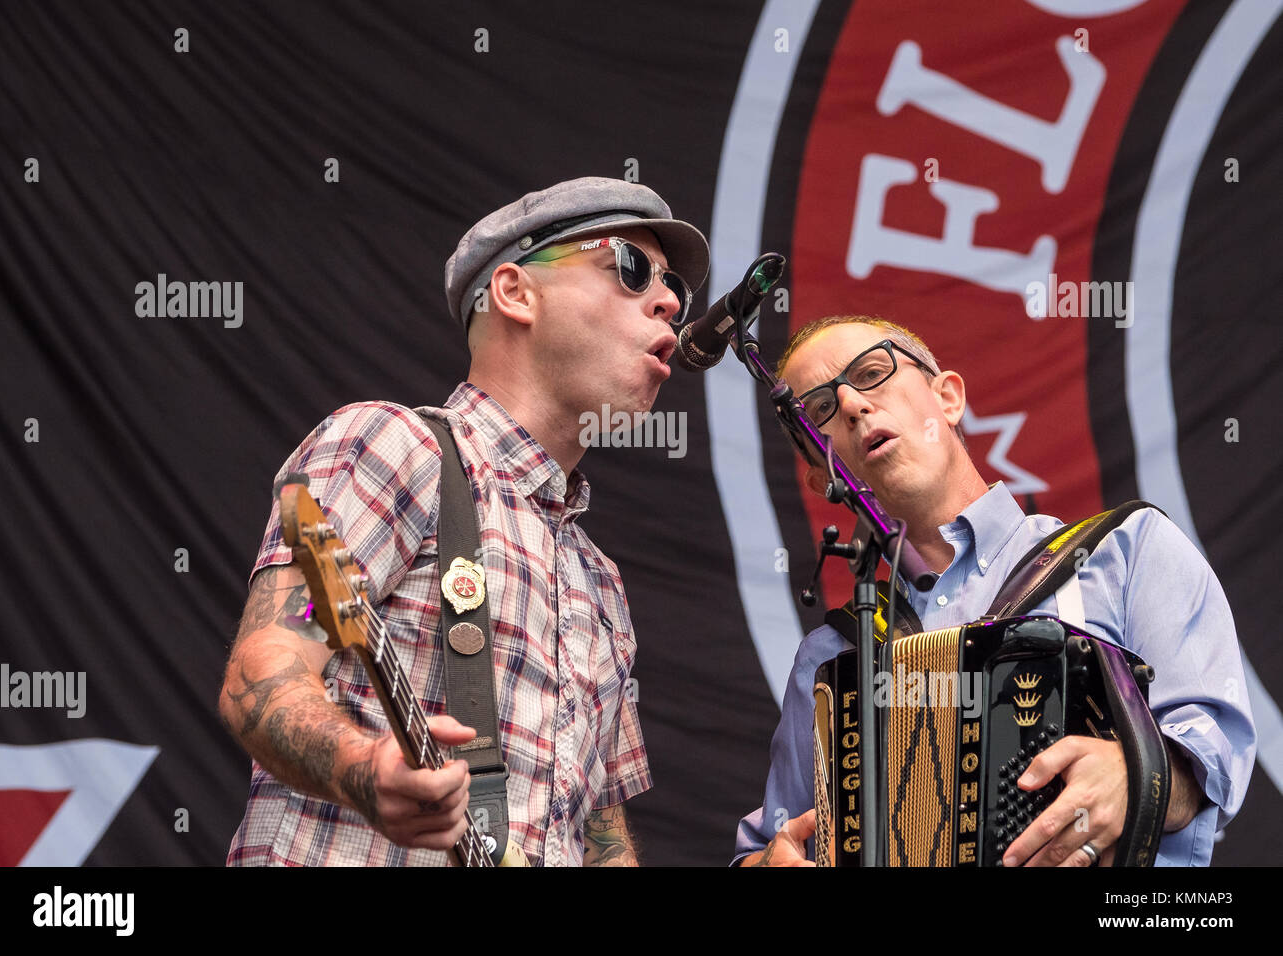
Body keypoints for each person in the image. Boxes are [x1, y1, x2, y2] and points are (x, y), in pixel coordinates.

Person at [218, 176, 709, 866]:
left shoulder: (601, 580)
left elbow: (601, 836)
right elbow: (264, 674)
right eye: (630, 269)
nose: (668, 303)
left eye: (675, 292)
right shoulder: (393, 446)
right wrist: (367, 769)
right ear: (514, 292)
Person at [735, 315, 1255, 867]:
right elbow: (768, 843)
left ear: (949, 398)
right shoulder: (829, 658)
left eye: (871, 372)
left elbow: (1214, 753)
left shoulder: (1128, 551)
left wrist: (1135, 775)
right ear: (820, 475)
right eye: (820, 410)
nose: (852, 405)